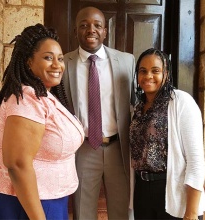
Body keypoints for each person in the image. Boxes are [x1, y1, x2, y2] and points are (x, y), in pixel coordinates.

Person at [0, 23, 84, 220]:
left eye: (60, 58)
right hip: (20, 204)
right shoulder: (27, 99)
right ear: (28, 62)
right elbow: (17, 164)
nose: (57, 65)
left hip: (45, 199)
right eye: (48, 57)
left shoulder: (44, 96)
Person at [62, 6, 135, 220]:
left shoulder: (127, 61)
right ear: (75, 32)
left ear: (105, 31)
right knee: (83, 212)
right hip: (83, 149)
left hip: (119, 149)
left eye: (97, 25)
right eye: (83, 25)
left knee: (122, 212)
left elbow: (136, 103)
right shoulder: (64, 63)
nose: (90, 30)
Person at [129, 48, 205, 220]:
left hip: (172, 190)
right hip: (142, 191)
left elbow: (196, 161)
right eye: (143, 71)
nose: (148, 76)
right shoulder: (138, 108)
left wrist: (192, 213)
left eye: (155, 71)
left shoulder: (181, 102)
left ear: (166, 74)